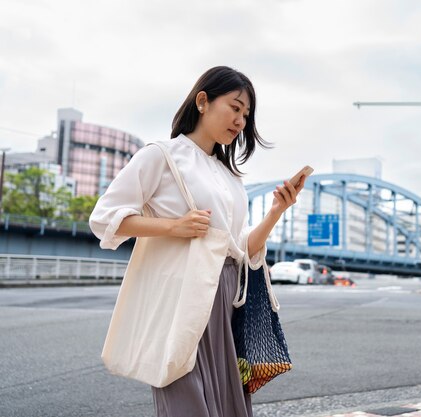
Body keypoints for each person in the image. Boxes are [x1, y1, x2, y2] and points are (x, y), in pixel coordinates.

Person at [89, 66, 305, 417]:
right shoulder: (161, 155)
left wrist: (277, 211)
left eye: (245, 115)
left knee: (226, 402)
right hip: (181, 297)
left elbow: (241, 248)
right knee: (185, 396)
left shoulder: (229, 176)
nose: (240, 121)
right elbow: (104, 218)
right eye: (234, 108)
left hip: (224, 297)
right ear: (202, 101)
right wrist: (174, 227)